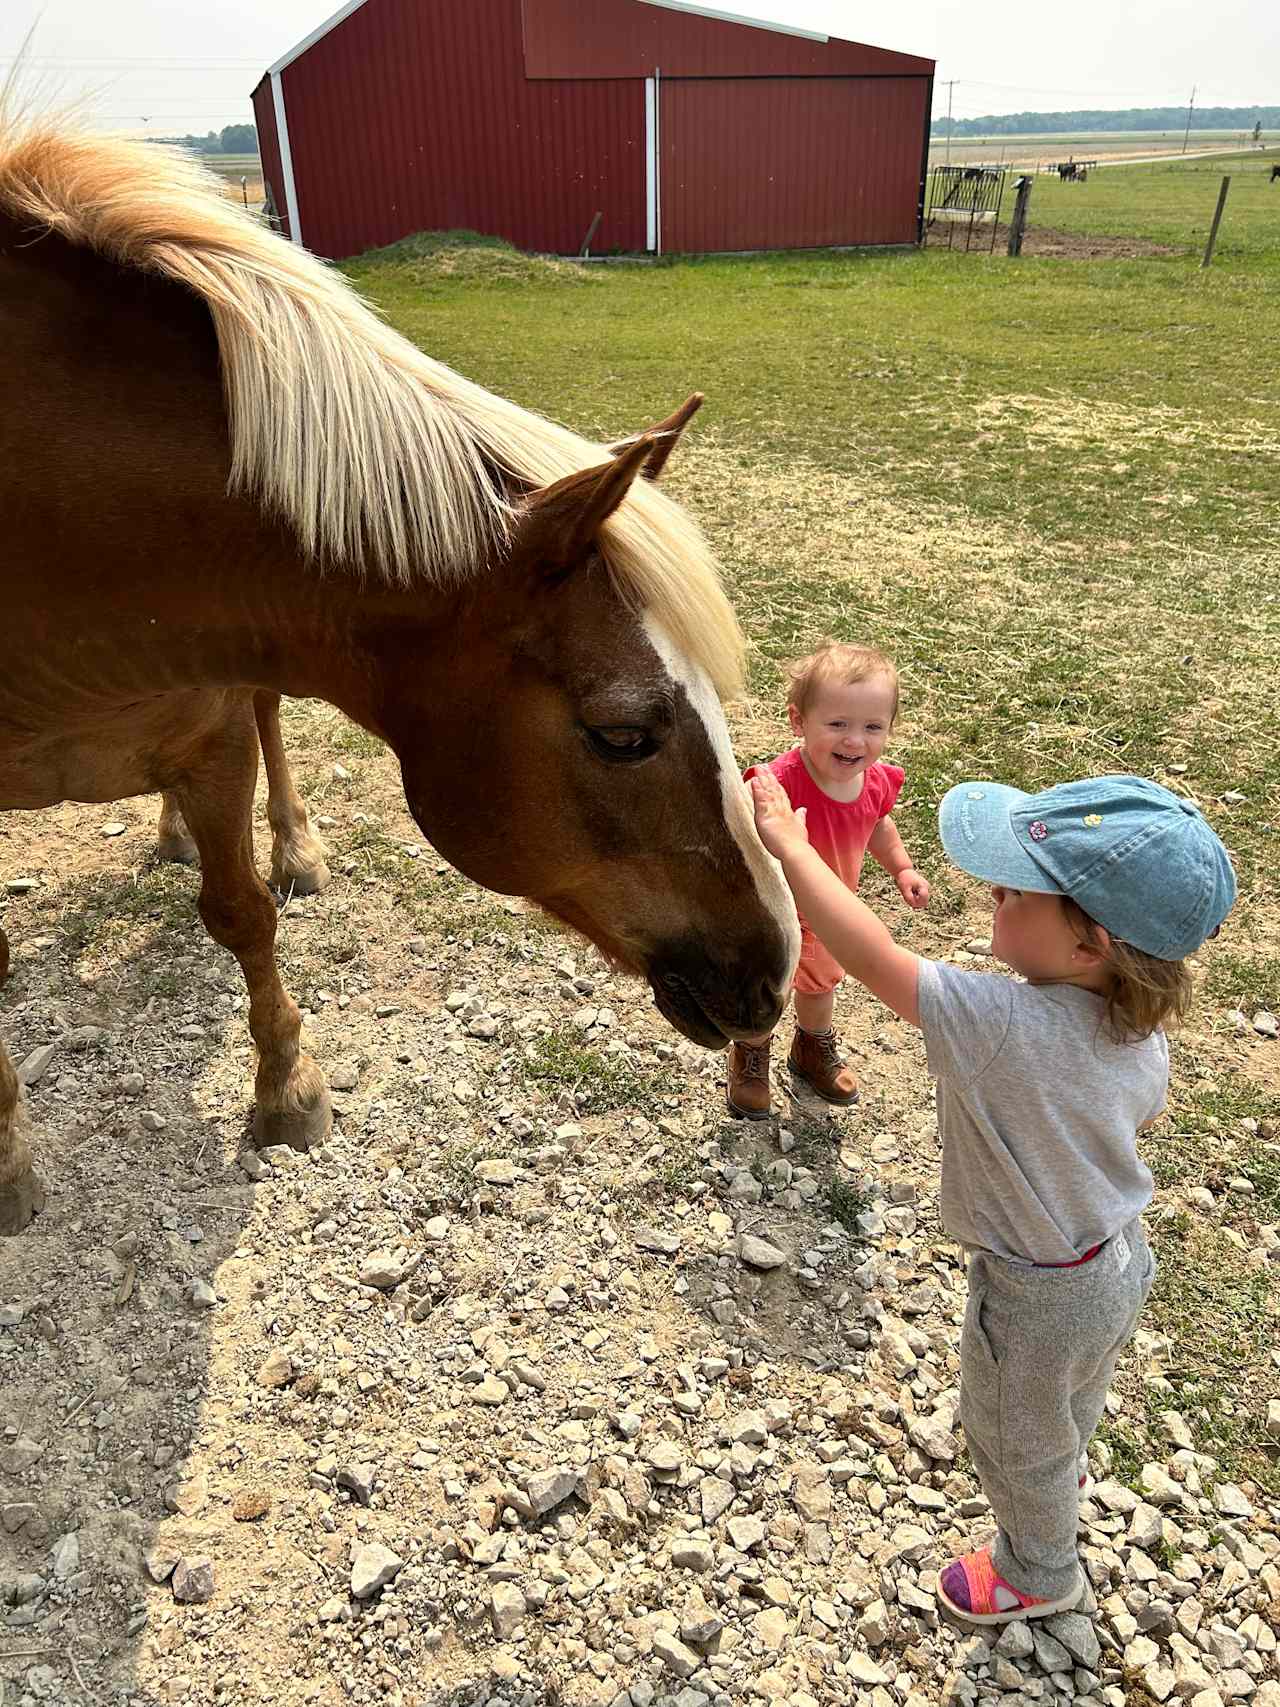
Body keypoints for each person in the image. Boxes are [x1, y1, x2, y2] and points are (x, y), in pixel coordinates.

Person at [749, 767, 1235, 1625]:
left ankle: (1040, 1570)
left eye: (1016, 890)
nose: (993, 892)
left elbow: (867, 954)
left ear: (1089, 946)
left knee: (1009, 1429)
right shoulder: (1136, 1028)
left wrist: (791, 845)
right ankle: (1063, 1458)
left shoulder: (1001, 1022)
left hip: (1036, 1290)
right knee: (1070, 1397)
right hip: (1118, 1258)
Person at [728, 643, 930, 1119]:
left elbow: (878, 825)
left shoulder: (876, 781)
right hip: (771, 915)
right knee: (765, 988)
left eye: (872, 727)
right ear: (799, 722)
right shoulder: (776, 783)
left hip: (828, 917)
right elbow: (736, 830)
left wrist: (902, 868)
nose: (855, 741)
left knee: (819, 989)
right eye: (837, 724)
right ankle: (752, 1055)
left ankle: (811, 1049)